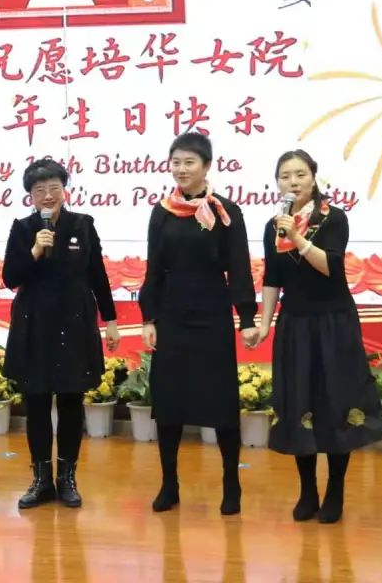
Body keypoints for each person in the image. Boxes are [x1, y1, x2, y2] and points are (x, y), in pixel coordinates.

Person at [253, 149, 382, 524]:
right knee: (299, 403)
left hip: (333, 323)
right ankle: (307, 490)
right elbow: (272, 279)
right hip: (295, 323)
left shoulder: (333, 218)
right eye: (285, 176)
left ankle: (335, 490)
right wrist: (264, 323)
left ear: (314, 177)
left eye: (300, 175)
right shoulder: (273, 226)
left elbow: (332, 268)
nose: (292, 182)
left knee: (336, 403)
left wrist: (297, 237)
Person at [138, 132, 260, 515]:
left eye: (189, 162)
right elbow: (153, 268)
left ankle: (231, 484)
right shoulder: (162, 211)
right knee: (169, 401)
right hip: (172, 313)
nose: (181, 169)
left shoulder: (225, 211)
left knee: (220, 401)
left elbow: (238, 267)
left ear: (207, 166)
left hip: (211, 312)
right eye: (176, 162)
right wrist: (148, 317)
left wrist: (246, 318)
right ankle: (169, 484)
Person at [2, 158, 121, 509]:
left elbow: (97, 274)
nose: (48, 195)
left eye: (54, 187)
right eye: (40, 190)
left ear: (64, 190)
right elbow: (10, 277)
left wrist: (110, 320)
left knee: (71, 401)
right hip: (34, 325)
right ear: (30, 196)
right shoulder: (23, 229)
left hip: (74, 322)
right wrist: (35, 250)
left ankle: (67, 478)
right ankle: (41, 480)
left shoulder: (82, 224)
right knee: (37, 402)